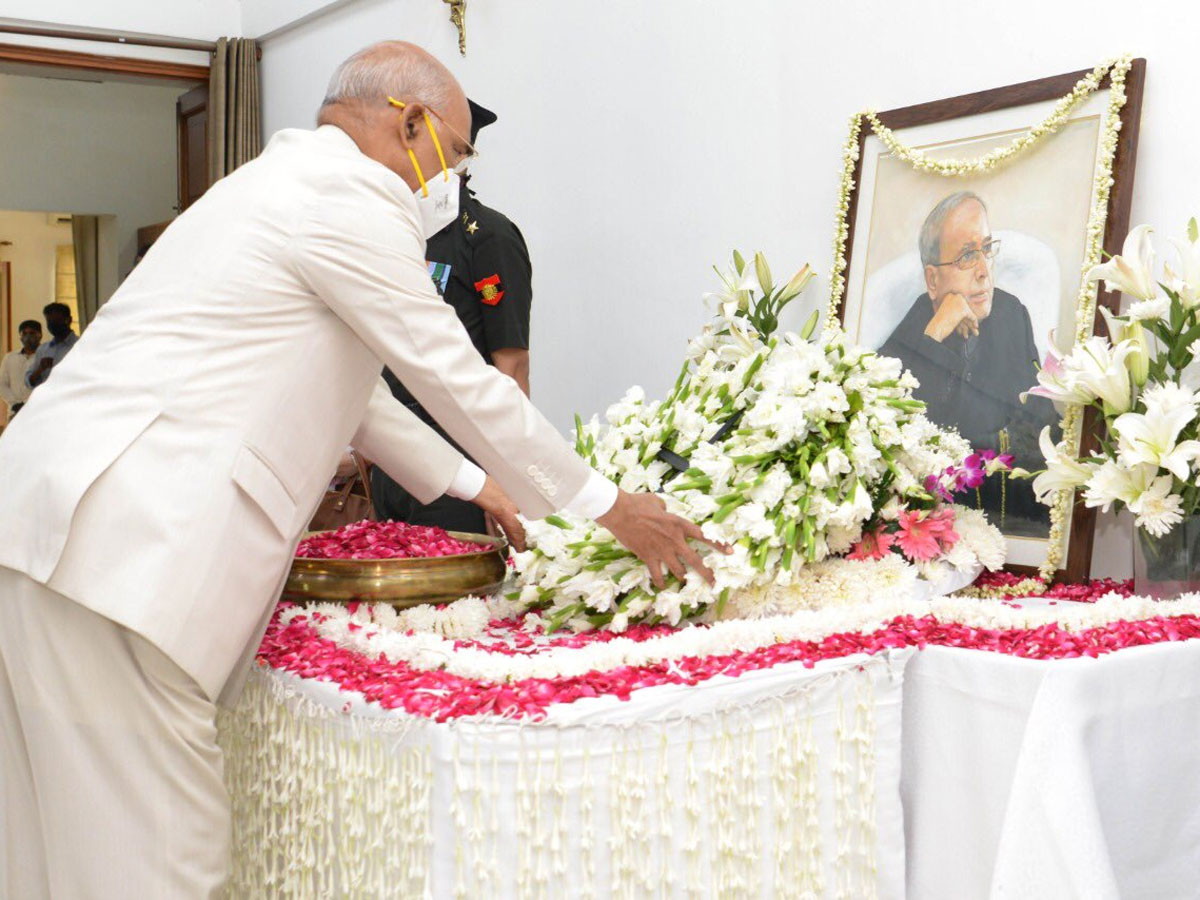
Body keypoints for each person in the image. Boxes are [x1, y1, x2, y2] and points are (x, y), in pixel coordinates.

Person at [0, 41, 724, 897]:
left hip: (51, 532)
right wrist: (609, 506)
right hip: (125, 551)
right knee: (164, 858)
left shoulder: (274, 187)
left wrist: (476, 486)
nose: (449, 181)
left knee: (56, 850)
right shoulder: (349, 196)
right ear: (408, 124)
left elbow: (358, 399)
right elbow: (450, 371)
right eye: (455, 154)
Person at [373, 98, 532, 534]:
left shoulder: (486, 236)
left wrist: (509, 475)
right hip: (395, 459)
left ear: (457, 156)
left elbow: (511, 365)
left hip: (461, 461)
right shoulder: (396, 236)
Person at [878, 191, 1057, 535]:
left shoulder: (1011, 313)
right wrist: (935, 335)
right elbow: (894, 428)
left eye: (986, 250)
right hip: (936, 524)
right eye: (966, 257)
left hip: (1011, 516)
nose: (983, 272)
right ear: (932, 280)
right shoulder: (909, 335)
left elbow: (1039, 415)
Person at [25, 301, 78, 389]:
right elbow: (29, 381)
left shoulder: (80, 345)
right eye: (49, 322)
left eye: (57, 321)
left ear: (68, 320)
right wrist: (40, 369)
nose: (53, 325)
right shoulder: (43, 350)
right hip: (48, 399)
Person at [0, 319, 40, 421]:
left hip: (39, 411)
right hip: (15, 412)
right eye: (24, 333)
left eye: (32, 333)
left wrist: (27, 404)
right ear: (20, 336)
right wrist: (16, 404)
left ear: (39, 335)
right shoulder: (9, 357)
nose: (28, 337)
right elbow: (2, 384)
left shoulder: (45, 357)